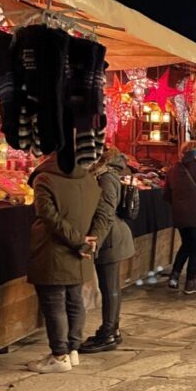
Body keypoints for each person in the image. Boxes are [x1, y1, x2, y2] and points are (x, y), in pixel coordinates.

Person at [26, 152, 101, 373]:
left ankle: (59, 355)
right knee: (74, 299)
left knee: (54, 303)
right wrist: (86, 241)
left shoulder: (45, 179)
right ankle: (72, 350)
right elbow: (99, 211)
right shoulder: (89, 178)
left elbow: (49, 216)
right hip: (80, 252)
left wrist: (78, 241)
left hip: (53, 250)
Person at [79, 148, 135, 353]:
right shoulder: (102, 174)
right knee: (110, 286)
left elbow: (105, 213)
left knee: (110, 287)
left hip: (110, 238)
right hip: (108, 236)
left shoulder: (106, 177)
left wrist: (94, 242)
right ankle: (112, 329)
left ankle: (108, 333)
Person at [164, 141, 196, 295]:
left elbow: (166, 195)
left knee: (186, 244)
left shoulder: (172, 170)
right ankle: (190, 282)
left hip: (179, 215)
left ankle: (174, 276)